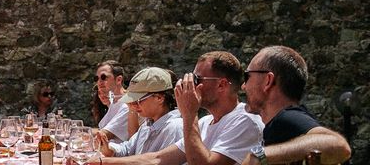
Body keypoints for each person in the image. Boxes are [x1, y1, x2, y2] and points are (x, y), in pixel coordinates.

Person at [98, 51, 263, 165]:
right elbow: (158, 159)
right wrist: (99, 162)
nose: (189, 83)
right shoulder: (205, 122)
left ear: (221, 84)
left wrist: (190, 114)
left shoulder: (246, 121)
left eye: (196, 79)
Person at [241, 45, 351, 165]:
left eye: (247, 77)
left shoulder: (287, 118)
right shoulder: (280, 125)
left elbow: (339, 145)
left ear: (268, 80)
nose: (243, 86)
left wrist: (260, 155)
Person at [99, 67, 182, 157]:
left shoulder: (175, 128)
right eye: (131, 101)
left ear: (159, 98)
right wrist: (109, 149)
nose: (133, 105)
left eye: (138, 100)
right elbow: (127, 148)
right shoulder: (147, 125)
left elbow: (156, 161)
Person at [96, 60, 135, 143]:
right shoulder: (113, 103)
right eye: (96, 78)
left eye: (103, 77)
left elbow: (104, 135)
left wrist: (74, 132)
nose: (99, 82)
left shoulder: (127, 105)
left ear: (118, 80)